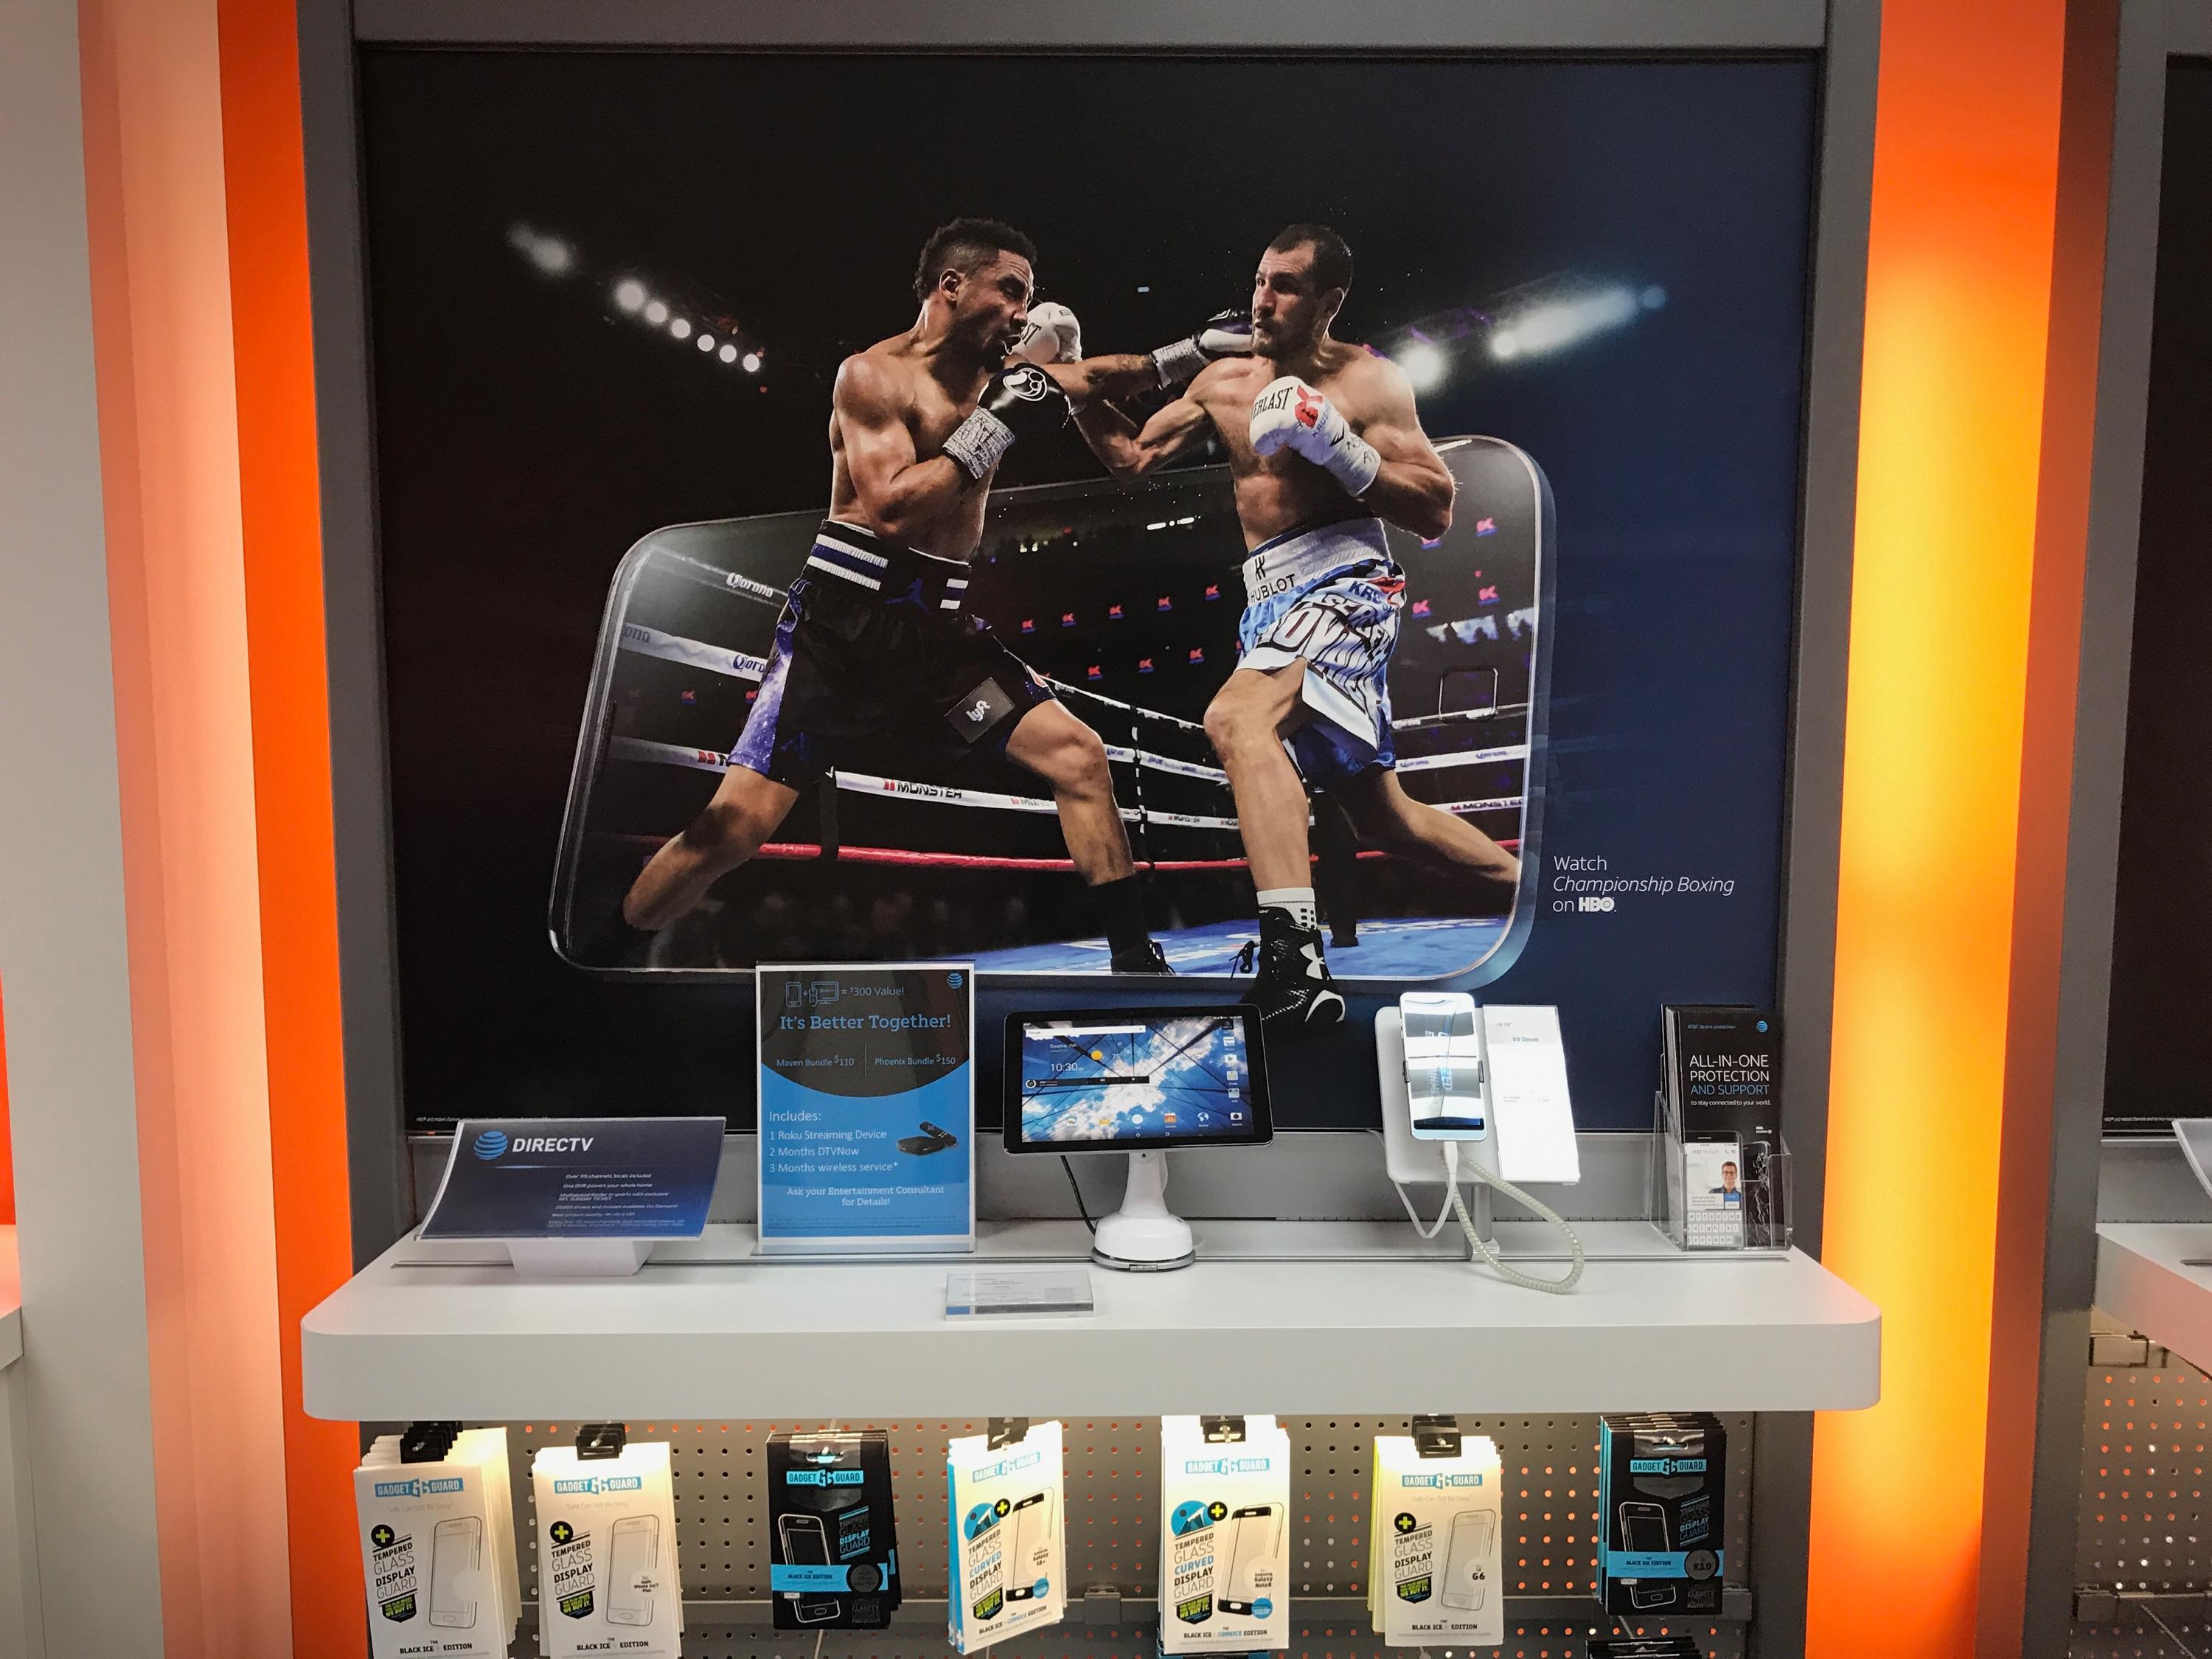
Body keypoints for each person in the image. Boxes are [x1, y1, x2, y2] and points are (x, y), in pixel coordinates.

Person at [621, 218, 1174, 970]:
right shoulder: (872, 376)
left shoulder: (1004, 373)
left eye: (1029, 296)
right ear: (953, 286)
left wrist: (1197, 351)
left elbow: (1112, 379)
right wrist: (997, 422)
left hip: (938, 639)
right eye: (1011, 291)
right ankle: (606, 953)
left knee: (1079, 756)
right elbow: (890, 509)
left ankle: (1134, 960)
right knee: (734, 830)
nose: (1023, 312)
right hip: (841, 633)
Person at [1071, 224, 1521, 1028]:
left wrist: (1338, 444)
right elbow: (1130, 458)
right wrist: (1076, 391)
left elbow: (1435, 508)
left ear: (1328, 302)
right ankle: (1538, 892)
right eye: (1259, 280)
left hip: (1347, 584)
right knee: (1388, 820)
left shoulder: (1368, 382)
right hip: (1269, 603)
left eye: (1285, 285)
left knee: (1236, 717)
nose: (1262, 300)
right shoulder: (1224, 380)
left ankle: (1296, 964)